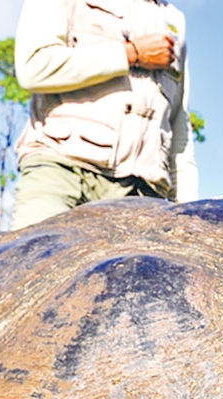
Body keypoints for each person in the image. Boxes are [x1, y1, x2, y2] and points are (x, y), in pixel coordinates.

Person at [10, 0, 198, 230]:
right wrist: (131, 53)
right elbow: (33, 68)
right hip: (62, 172)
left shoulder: (174, 20)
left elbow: (178, 126)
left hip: (142, 196)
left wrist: (188, 214)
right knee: (31, 263)